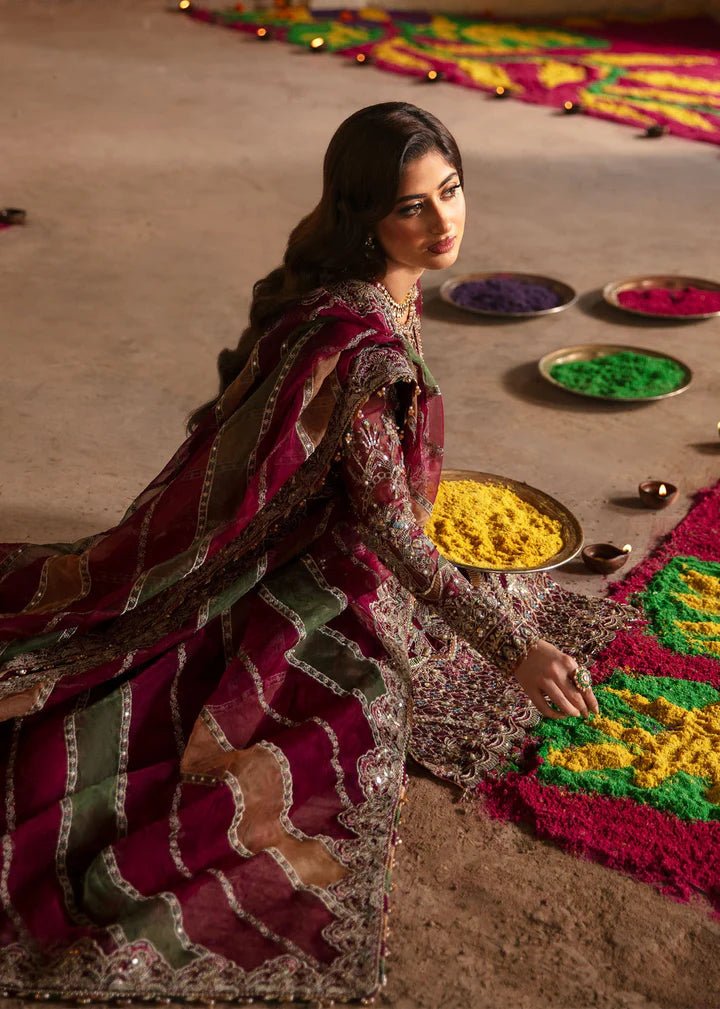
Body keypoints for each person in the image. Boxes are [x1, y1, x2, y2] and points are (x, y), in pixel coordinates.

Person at [0, 102, 626, 1004]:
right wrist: (510, 648)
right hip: (311, 560)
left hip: (337, 527)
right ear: (364, 214)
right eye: (413, 207)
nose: (443, 222)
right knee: (347, 702)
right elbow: (393, 538)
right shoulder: (357, 347)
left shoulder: (381, 297)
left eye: (451, 191)